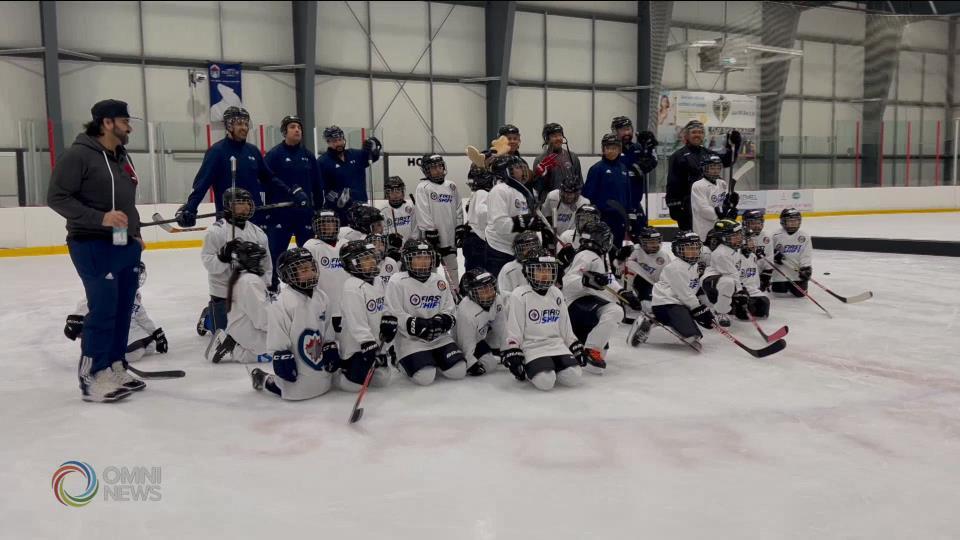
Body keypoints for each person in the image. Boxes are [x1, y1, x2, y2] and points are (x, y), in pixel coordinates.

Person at [48, 99, 146, 402]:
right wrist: (100, 218)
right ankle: (92, 376)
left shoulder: (120, 156)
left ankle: (115, 365)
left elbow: (126, 204)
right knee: (103, 309)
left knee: (122, 309)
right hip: (91, 243)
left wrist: (135, 233)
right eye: (125, 121)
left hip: (124, 244)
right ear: (107, 123)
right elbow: (57, 197)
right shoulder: (78, 156)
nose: (129, 127)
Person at [175, 107, 309, 228]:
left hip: (255, 219)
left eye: (246, 124)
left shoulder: (253, 151)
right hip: (228, 221)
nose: (244, 127)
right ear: (229, 125)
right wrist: (191, 208)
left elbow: (269, 179)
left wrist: (291, 193)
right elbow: (202, 184)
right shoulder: (217, 151)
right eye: (239, 124)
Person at [250, 248, 340, 401]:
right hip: (297, 380)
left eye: (312, 268)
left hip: (322, 378)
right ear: (287, 275)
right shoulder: (281, 302)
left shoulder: (322, 296)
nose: (311, 273)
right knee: (296, 390)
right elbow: (277, 339)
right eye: (303, 270)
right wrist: (280, 356)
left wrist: (330, 346)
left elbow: (327, 330)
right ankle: (265, 379)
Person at [562, 221, 643, 373]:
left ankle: (588, 346)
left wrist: (622, 292)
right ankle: (591, 349)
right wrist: (586, 280)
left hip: (587, 305)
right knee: (615, 311)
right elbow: (568, 281)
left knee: (596, 367)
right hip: (574, 305)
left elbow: (607, 278)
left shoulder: (599, 255)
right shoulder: (586, 255)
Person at [386, 240, 467, 386]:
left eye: (427, 257)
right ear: (407, 259)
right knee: (425, 378)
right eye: (418, 257)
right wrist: (414, 324)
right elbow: (394, 312)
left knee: (458, 371)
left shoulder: (438, 280)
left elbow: (449, 308)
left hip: (439, 338)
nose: (423, 261)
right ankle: (397, 358)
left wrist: (442, 321)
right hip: (411, 339)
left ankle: (431, 358)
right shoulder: (397, 281)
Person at [503, 254, 584, 391]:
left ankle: (551, 364)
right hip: (532, 347)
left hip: (556, 345)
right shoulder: (520, 294)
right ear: (528, 272)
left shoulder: (556, 293)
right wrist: (514, 350)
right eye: (540, 270)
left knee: (573, 377)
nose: (545, 274)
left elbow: (565, 326)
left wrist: (574, 343)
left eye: (548, 270)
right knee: (546, 382)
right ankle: (542, 366)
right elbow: (514, 329)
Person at [197, 188, 272, 336]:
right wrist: (222, 257)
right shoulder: (216, 231)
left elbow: (267, 264)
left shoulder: (258, 233)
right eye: (239, 203)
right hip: (224, 291)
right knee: (225, 335)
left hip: (250, 291)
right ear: (228, 205)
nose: (245, 207)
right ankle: (207, 319)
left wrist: (263, 285)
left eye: (247, 203)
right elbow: (207, 262)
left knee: (255, 329)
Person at [64, 261, 169, 363]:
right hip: (108, 330)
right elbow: (88, 304)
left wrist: (155, 333)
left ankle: (115, 350)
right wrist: (76, 319)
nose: (137, 279)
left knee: (151, 346)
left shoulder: (134, 294)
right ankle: (107, 353)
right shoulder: (108, 289)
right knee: (135, 353)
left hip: (122, 329)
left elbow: (140, 315)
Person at [262, 115, 323, 289]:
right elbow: (265, 182)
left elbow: (317, 186)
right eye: (292, 127)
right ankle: (272, 288)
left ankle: (307, 286)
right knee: (275, 254)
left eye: (299, 127)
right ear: (284, 131)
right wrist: (266, 215)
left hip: (305, 215)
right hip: (280, 215)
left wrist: (318, 210)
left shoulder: (308, 156)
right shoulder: (274, 155)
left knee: (307, 254)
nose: (297, 130)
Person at [633, 231, 714, 347]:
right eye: (689, 249)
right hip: (666, 304)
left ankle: (655, 319)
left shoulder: (694, 265)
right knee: (692, 335)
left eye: (696, 248)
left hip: (680, 303)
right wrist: (698, 309)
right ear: (678, 250)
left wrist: (704, 308)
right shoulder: (676, 268)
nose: (694, 251)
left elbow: (693, 289)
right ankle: (650, 319)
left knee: (694, 327)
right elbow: (685, 294)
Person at [334, 240, 395, 391]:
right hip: (356, 346)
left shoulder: (378, 280)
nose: (372, 262)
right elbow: (357, 322)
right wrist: (367, 343)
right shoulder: (352, 287)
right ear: (350, 264)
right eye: (366, 259)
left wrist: (388, 317)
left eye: (372, 257)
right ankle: (342, 371)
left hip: (374, 341)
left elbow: (385, 303)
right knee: (353, 386)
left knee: (382, 379)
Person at [208, 241, 273, 363]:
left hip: (241, 328)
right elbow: (262, 318)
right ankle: (236, 350)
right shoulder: (250, 282)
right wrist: (280, 329)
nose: (261, 264)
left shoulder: (244, 277)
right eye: (257, 260)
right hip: (247, 332)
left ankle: (234, 343)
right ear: (249, 262)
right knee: (284, 350)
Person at [483, 154, 547, 276]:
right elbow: (501, 225)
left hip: (516, 250)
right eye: (518, 167)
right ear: (506, 171)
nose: (523, 170)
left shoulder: (521, 191)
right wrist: (527, 221)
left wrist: (532, 224)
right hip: (499, 250)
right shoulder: (499, 190)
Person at [665, 120, 735, 230]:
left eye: (700, 132)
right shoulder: (678, 156)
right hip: (688, 207)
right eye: (694, 132)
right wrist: (674, 206)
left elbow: (726, 161)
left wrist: (732, 147)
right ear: (687, 135)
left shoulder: (709, 154)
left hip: (709, 204)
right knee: (692, 241)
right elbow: (672, 183)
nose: (697, 135)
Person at [414, 154, 463, 285]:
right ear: (426, 170)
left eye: (440, 166)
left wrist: (459, 227)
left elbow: (458, 208)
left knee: (453, 269)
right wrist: (430, 231)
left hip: (450, 237)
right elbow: (422, 211)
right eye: (434, 167)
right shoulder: (423, 187)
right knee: (430, 270)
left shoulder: (451, 186)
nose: (438, 170)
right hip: (432, 238)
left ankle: (455, 297)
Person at [317, 125, 382, 221]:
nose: (339, 143)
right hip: (339, 213)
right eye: (334, 141)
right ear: (328, 142)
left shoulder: (355, 154)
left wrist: (373, 143)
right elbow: (321, 189)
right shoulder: (322, 162)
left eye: (340, 139)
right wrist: (338, 199)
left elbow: (374, 154)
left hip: (361, 210)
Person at [303, 209, 349, 333]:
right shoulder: (311, 246)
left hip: (347, 306)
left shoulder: (346, 244)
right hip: (323, 306)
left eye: (331, 223)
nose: (328, 226)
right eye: (324, 224)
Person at [455, 269, 507, 376]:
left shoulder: (497, 299)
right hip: (462, 342)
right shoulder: (466, 311)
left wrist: (509, 350)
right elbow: (465, 341)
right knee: (488, 366)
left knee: (491, 363)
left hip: (480, 336)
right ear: (470, 292)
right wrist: (470, 362)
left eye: (490, 287)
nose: (489, 292)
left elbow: (501, 327)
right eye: (482, 290)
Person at [582, 133, 631, 246]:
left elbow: (627, 193)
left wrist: (628, 213)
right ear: (603, 149)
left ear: (619, 149)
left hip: (620, 217)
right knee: (603, 247)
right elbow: (588, 195)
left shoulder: (624, 169)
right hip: (603, 217)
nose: (611, 151)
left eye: (614, 148)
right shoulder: (596, 169)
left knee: (617, 248)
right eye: (608, 148)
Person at [611, 116, 658, 230]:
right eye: (622, 130)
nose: (626, 132)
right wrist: (635, 168)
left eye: (628, 129)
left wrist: (649, 149)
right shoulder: (611, 149)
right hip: (617, 204)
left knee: (643, 236)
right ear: (615, 132)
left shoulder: (637, 147)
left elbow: (652, 162)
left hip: (635, 203)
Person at [700, 219, 744, 328]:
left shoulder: (735, 248)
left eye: (739, 234)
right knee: (728, 282)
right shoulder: (721, 253)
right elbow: (732, 275)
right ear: (723, 238)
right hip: (710, 282)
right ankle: (720, 312)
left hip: (722, 280)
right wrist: (740, 291)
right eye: (734, 236)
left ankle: (723, 306)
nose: (739, 238)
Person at [691, 154, 738, 241]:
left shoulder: (722, 183)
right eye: (712, 168)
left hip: (722, 229)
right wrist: (722, 213)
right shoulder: (698, 185)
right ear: (704, 168)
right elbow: (703, 209)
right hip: (704, 230)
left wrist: (732, 204)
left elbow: (725, 204)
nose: (715, 171)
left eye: (718, 168)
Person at [531, 123, 582, 203]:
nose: (558, 138)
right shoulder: (540, 160)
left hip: (570, 203)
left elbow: (580, 183)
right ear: (547, 139)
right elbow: (537, 188)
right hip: (549, 204)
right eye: (554, 136)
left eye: (560, 135)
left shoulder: (572, 157)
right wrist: (540, 176)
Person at [624, 227, 670, 314]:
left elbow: (669, 277)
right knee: (647, 305)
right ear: (643, 243)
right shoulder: (635, 251)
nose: (655, 245)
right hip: (643, 283)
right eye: (651, 242)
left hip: (659, 285)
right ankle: (627, 294)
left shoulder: (664, 256)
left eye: (657, 241)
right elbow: (619, 265)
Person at [771, 208, 813, 296]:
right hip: (780, 272)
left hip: (796, 273)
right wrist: (773, 256)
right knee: (779, 293)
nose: (793, 223)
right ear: (783, 222)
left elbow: (806, 255)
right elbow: (768, 253)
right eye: (790, 221)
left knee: (800, 294)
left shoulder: (804, 236)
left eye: (796, 221)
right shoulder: (775, 236)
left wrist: (806, 268)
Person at [460, 165, 495, 271]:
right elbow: (482, 212)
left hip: (472, 239)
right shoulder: (482, 193)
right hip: (477, 240)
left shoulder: (476, 193)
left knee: (472, 270)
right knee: (479, 272)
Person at [735, 232, 771, 320]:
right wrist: (739, 289)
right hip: (740, 292)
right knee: (744, 313)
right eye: (750, 241)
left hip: (753, 290)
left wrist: (760, 284)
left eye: (753, 241)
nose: (753, 243)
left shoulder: (753, 256)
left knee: (764, 304)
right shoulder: (735, 256)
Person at [497, 232, 544, 296]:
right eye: (526, 246)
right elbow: (504, 295)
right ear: (518, 250)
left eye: (533, 245)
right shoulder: (508, 269)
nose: (531, 249)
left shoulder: (545, 266)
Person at [378, 176, 417, 250]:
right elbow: (383, 232)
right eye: (392, 192)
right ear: (387, 193)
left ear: (402, 192)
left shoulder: (411, 207)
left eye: (398, 191)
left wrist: (412, 243)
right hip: (392, 249)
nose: (395, 195)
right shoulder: (382, 211)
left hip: (411, 247)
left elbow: (415, 228)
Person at [741, 209, 773, 291]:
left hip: (758, 274)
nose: (756, 226)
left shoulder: (766, 238)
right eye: (753, 223)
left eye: (758, 223)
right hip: (742, 275)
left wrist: (766, 277)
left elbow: (769, 258)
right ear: (745, 224)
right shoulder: (738, 237)